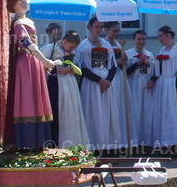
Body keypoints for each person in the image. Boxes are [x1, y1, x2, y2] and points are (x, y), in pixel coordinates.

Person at [8, 0, 56, 149]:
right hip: (27, 62)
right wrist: (45, 60)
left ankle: (38, 140)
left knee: (36, 97)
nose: (25, 4)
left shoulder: (26, 21)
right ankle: (29, 140)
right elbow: (28, 44)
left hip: (32, 62)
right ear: (14, 5)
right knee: (28, 98)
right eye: (21, 1)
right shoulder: (19, 23)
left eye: (26, 0)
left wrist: (41, 62)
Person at [77, 18, 121, 150]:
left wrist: (107, 81)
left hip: (107, 83)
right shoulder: (83, 46)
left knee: (107, 112)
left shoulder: (106, 44)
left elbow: (113, 66)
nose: (99, 29)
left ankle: (109, 145)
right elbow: (82, 69)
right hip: (91, 84)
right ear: (89, 27)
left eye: (101, 27)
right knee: (93, 112)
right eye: (96, 26)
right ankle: (93, 145)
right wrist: (99, 81)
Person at [148, 26, 177, 151]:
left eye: (161, 36)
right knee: (163, 114)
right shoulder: (163, 50)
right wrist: (153, 80)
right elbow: (158, 69)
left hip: (173, 84)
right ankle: (164, 142)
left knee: (173, 114)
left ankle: (176, 143)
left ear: (168, 36)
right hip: (162, 85)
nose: (159, 39)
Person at [48, 31, 90, 149]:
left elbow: (77, 65)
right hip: (55, 84)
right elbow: (39, 65)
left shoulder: (72, 51)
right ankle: (56, 144)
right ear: (65, 41)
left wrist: (73, 69)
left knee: (71, 113)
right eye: (71, 47)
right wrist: (57, 70)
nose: (72, 50)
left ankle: (73, 143)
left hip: (70, 85)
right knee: (57, 114)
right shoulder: (50, 48)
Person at [104, 21, 130, 150]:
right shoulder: (105, 43)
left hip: (120, 75)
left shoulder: (118, 44)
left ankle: (122, 139)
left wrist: (123, 61)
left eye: (118, 31)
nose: (117, 33)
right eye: (114, 31)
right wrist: (116, 61)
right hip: (111, 76)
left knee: (121, 104)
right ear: (107, 30)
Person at [125, 31, 154, 150]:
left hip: (146, 85)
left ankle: (145, 142)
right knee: (135, 112)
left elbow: (154, 70)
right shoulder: (128, 54)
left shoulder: (150, 54)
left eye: (143, 39)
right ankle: (133, 142)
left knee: (146, 113)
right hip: (134, 84)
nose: (141, 42)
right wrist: (138, 63)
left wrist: (152, 80)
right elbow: (126, 72)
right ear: (134, 40)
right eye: (139, 39)